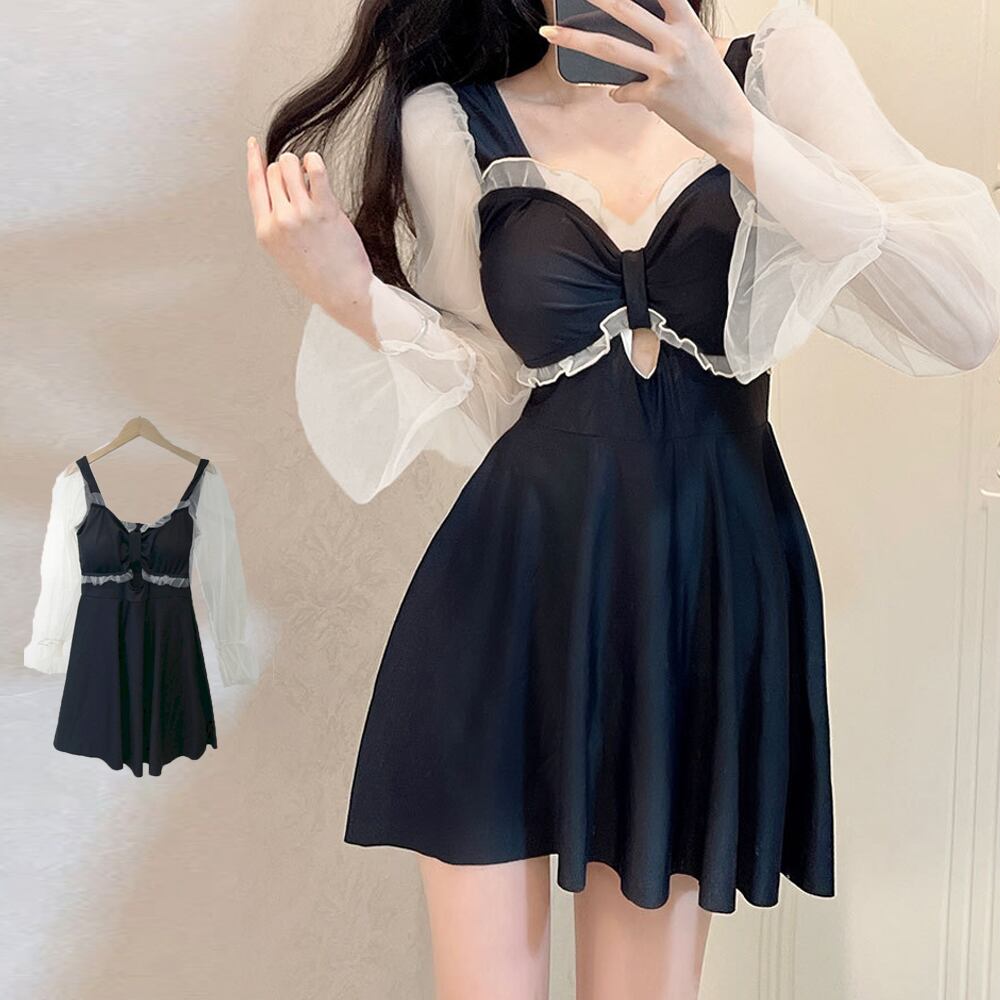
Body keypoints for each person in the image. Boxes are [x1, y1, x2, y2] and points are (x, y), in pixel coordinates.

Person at [245, 0, 1000, 996]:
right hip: (509, 597)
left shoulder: (779, 69)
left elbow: (962, 317)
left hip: (700, 595)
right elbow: (498, 395)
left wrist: (734, 129)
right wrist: (353, 297)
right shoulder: (451, 122)